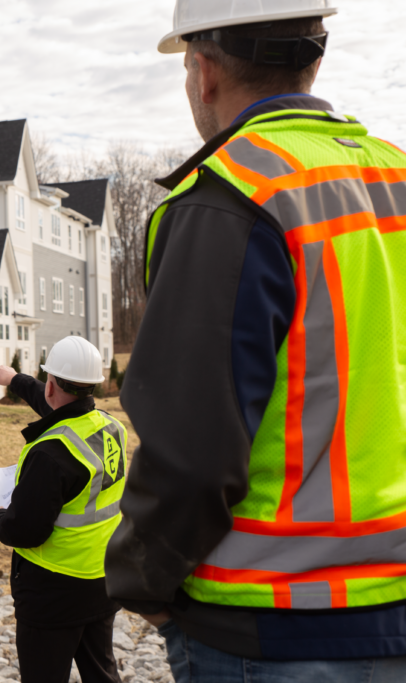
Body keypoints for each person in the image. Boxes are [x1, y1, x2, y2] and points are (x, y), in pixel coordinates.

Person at [105, 0, 406, 680]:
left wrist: (142, 577)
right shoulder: (396, 176)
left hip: (273, 620)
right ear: (315, 56)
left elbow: (193, 450)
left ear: (203, 70)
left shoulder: (228, 198)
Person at [0, 336, 127, 683]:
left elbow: (25, 530)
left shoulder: (50, 454)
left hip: (53, 594)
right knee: (101, 673)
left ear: (51, 385)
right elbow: (57, 407)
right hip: (101, 583)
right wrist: (15, 379)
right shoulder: (111, 429)